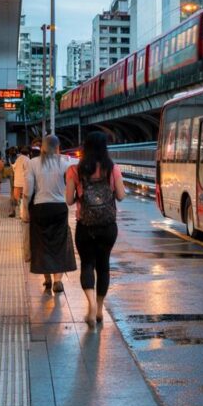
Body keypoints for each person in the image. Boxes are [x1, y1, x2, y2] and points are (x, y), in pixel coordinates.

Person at [65, 131, 126, 328]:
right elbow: (121, 196)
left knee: (87, 265)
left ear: (85, 148)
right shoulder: (112, 169)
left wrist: (78, 197)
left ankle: (90, 304)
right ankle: (99, 309)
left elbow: (68, 200)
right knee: (104, 266)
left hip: (85, 226)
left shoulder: (75, 170)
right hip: (108, 226)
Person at [23, 135, 76, 292]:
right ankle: (57, 280)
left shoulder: (32, 163)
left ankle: (46, 278)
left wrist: (25, 208)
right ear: (57, 147)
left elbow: (28, 191)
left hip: (39, 208)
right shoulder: (64, 162)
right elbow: (81, 163)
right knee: (59, 243)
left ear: (42, 148)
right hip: (59, 208)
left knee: (41, 243)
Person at [11, 139, 37, 219]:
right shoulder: (28, 160)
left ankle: (20, 214)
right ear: (29, 153)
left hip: (17, 182)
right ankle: (23, 214)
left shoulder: (18, 159)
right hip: (25, 182)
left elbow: (13, 167)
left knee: (19, 199)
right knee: (24, 199)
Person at [5, 147, 18, 217]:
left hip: (12, 175)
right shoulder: (17, 157)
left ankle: (13, 208)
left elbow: (9, 165)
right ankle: (14, 206)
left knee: (12, 191)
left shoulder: (9, 157)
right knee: (14, 191)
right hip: (16, 175)